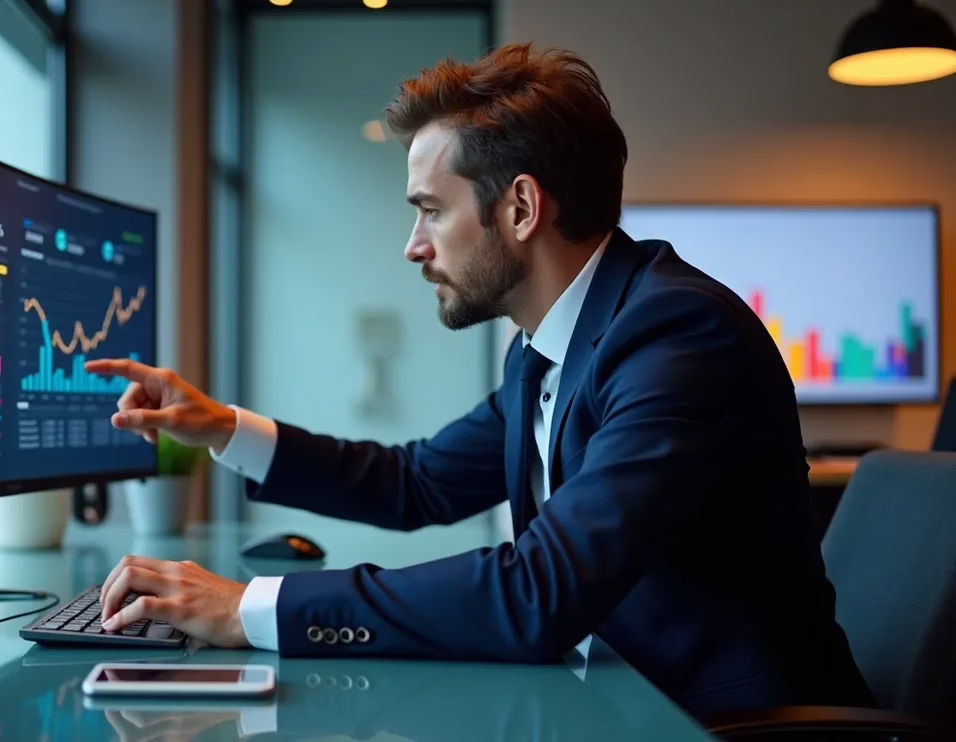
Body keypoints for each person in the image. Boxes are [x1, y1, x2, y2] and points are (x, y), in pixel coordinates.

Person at [83, 43, 873, 719]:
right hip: (612, 699)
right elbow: (417, 483)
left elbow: (539, 592)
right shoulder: (546, 347)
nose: (413, 245)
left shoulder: (676, 336)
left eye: (430, 210)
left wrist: (250, 607)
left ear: (521, 207)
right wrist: (223, 427)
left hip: (717, 724)